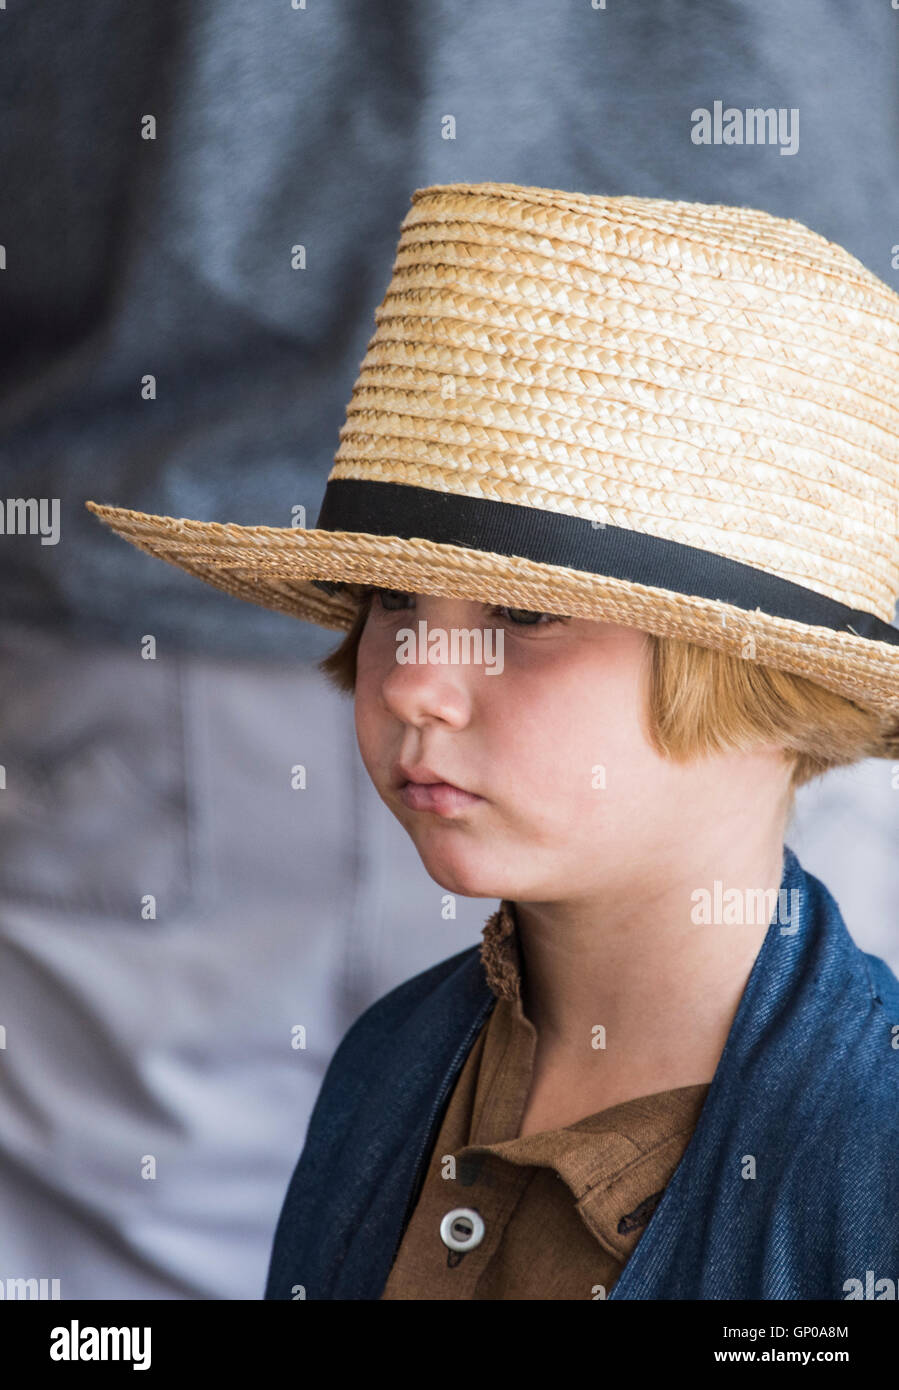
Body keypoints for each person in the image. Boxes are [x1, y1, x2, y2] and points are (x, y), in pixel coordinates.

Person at [85, 181, 899, 1300]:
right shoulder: (393, 1062)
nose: (415, 680)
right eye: (390, 601)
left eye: (522, 615)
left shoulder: (868, 1154)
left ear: (760, 680)